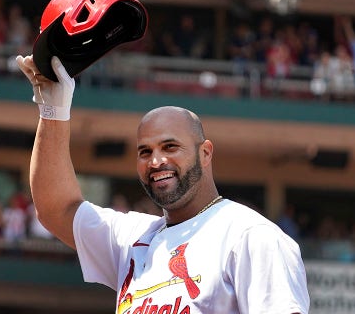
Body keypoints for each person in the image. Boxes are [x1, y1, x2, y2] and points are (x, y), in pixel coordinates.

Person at [16, 54, 309, 313]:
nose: (156, 162)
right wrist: (53, 111)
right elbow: (57, 208)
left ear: (205, 153)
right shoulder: (134, 238)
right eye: (145, 152)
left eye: (170, 147)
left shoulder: (250, 236)